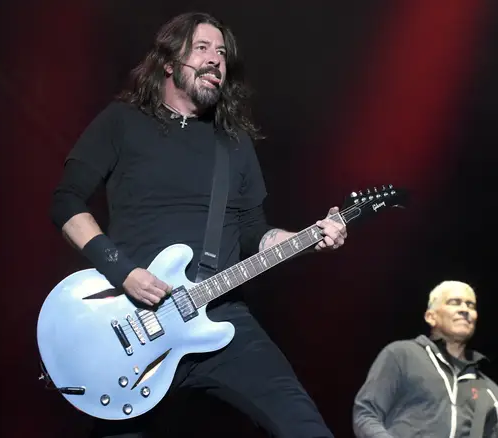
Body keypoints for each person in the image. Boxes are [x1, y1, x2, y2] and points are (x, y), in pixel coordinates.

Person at [49, 11, 346, 438]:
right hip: (132, 321)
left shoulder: (234, 142)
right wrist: (124, 271)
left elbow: (252, 232)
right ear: (169, 62)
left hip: (220, 316)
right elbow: (66, 203)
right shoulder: (121, 122)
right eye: (202, 48)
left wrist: (305, 238)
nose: (215, 60)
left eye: (222, 53)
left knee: (303, 424)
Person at [352, 281, 498, 438]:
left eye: (471, 305)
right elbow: (366, 413)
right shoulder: (402, 355)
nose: (464, 309)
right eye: (455, 302)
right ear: (431, 317)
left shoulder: (489, 390)